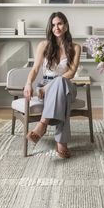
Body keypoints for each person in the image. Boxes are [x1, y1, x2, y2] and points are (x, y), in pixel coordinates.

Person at [23, 12, 81, 158]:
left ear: (66, 26)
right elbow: (35, 68)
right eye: (53, 25)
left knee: (61, 82)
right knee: (63, 100)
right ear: (50, 28)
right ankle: (61, 142)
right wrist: (28, 83)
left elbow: (72, 73)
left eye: (60, 24)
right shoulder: (44, 45)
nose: (57, 28)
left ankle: (42, 126)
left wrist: (48, 87)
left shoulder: (76, 47)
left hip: (66, 85)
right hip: (45, 86)